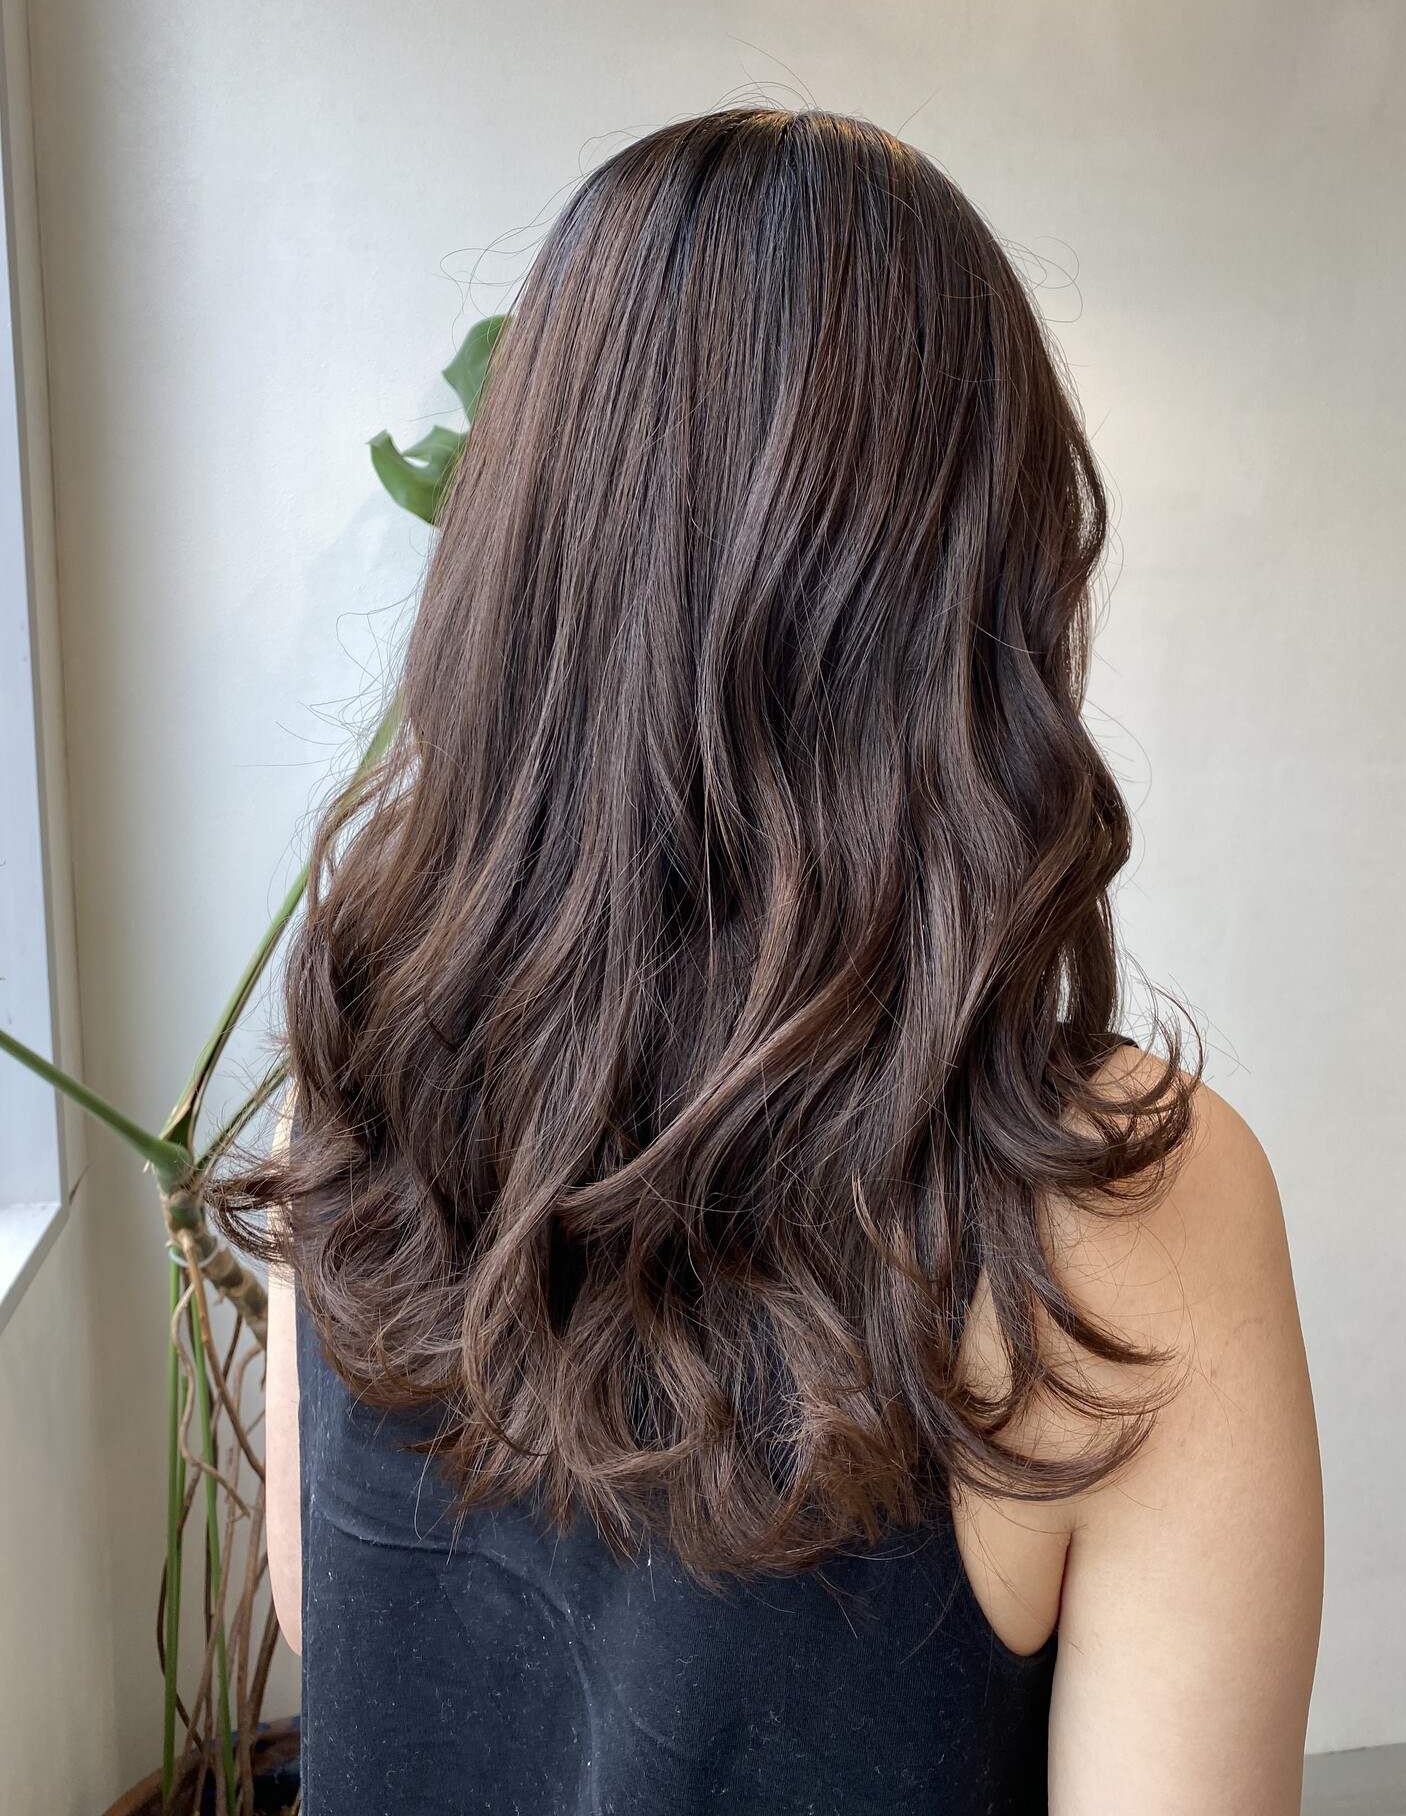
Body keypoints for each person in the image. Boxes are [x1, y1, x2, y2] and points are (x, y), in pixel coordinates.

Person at [214, 107, 1323, 1814]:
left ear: (520, 572)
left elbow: (342, 1625)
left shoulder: (351, 1102)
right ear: (985, 598)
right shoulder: (1128, 1219)